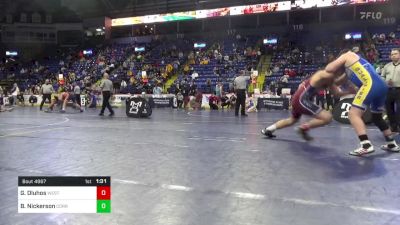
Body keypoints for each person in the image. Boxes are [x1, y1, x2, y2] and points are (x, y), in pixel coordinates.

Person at [325, 50, 399, 155]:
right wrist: (330, 83)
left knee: (353, 114)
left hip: (370, 84)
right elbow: (339, 81)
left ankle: (366, 145)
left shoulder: (348, 55)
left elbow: (329, 68)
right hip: (381, 86)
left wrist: (325, 75)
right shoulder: (352, 66)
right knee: (377, 117)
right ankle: (391, 143)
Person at [261, 70, 348, 141]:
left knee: (292, 120)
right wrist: (346, 72)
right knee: (327, 117)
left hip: (296, 99)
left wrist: (350, 92)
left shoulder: (326, 80)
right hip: (301, 100)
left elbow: (337, 93)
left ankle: (268, 129)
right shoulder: (323, 75)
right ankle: (303, 128)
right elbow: (335, 80)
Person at [381, 49, 400, 133]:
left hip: (399, 90)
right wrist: (385, 82)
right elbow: (382, 77)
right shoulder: (387, 66)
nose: (393, 55)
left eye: (395, 54)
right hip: (389, 90)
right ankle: (393, 127)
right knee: (389, 109)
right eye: (392, 54)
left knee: (399, 110)